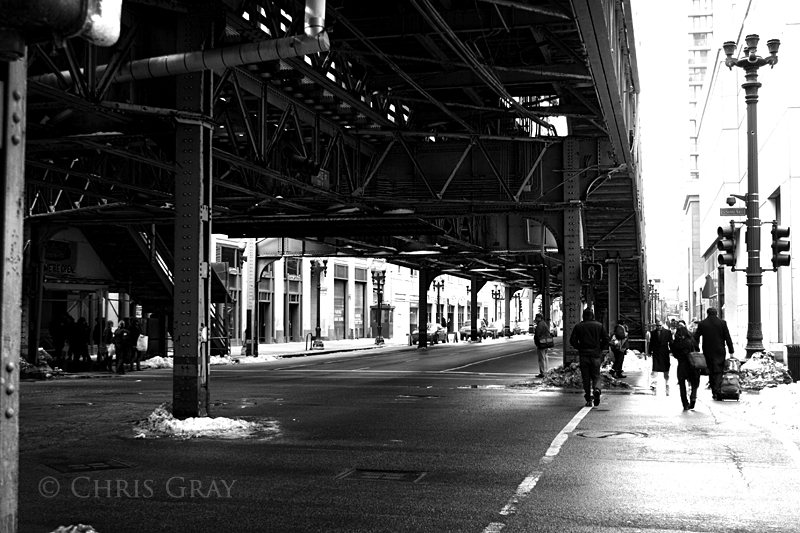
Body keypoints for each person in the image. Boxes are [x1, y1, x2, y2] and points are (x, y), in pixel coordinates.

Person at [569, 308, 610, 407]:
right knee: (596, 375)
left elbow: (572, 341)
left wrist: (580, 347)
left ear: (583, 315)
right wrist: (600, 349)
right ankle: (596, 389)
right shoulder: (599, 326)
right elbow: (606, 339)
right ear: (593, 316)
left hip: (584, 356)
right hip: (596, 355)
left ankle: (588, 397)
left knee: (586, 377)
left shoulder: (578, 326)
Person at [693, 307, 735, 401]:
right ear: (716, 313)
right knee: (719, 370)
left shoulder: (703, 323)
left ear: (707, 313)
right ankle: (719, 390)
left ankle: (714, 391)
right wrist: (731, 350)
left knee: (711, 371)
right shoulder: (722, 323)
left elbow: (696, 337)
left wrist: (696, 348)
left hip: (708, 351)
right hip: (720, 350)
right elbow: (727, 337)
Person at [670, 321, 699, 410]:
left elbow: (674, 354)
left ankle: (685, 403)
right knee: (694, 382)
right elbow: (697, 349)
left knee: (682, 384)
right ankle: (693, 397)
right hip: (692, 364)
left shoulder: (675, 343)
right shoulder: (691, 340)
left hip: (682, 365)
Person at [648, 318, 673, 395]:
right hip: (656, 352)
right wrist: (649, 351)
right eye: (657, 326)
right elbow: (651, 343)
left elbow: (671, 342)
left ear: (662, 325)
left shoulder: (668, 332)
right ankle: (654, 382)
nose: (659, 327)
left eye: (660, 325)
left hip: (664, 352)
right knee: (655, 367)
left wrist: (672, 350)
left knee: (666, 367)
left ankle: (667, 381)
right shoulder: (652, 333)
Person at [532, 313, 550, 378]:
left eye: (536, 317)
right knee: (545, 357)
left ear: (539, 318)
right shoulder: (544, 324)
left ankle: (542, 372)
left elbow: (537, 335)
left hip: (541, 343)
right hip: (546, 343)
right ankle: (546, 371)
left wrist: (537, 342)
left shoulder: (540, 325)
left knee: (541, 358)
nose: (535, 319)